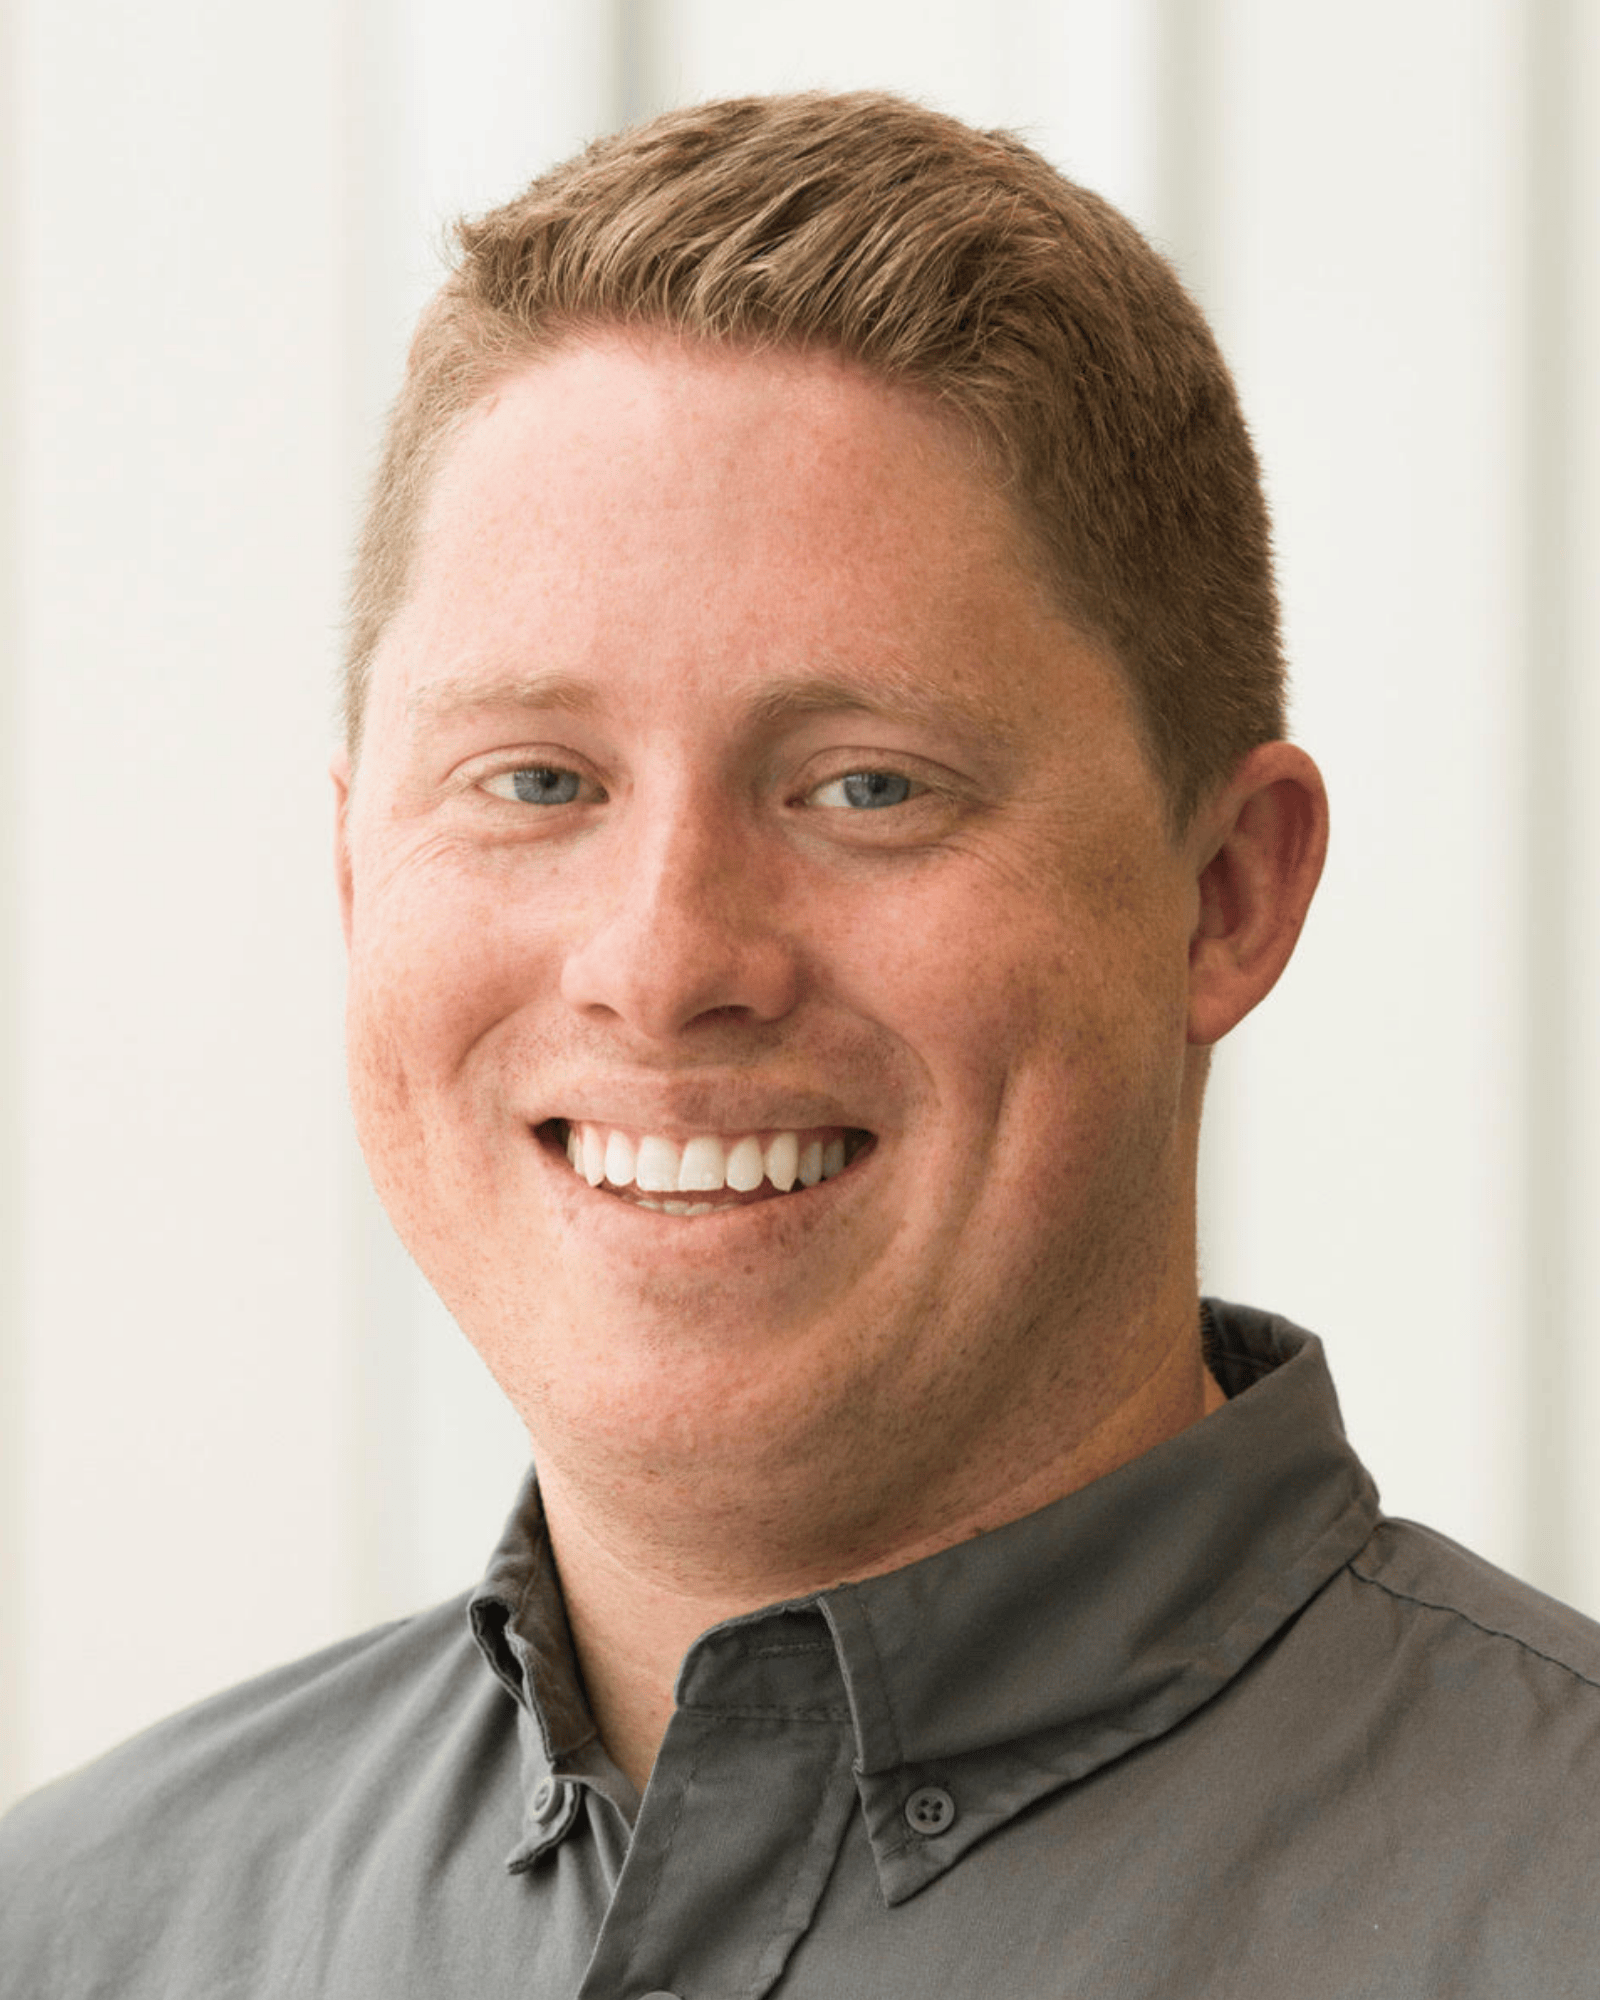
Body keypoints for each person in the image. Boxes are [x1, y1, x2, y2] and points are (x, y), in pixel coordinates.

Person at [4, 88, 1598, 1999]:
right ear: (356, 877)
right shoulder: (78, 1934)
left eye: (864, 784)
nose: (666, 962)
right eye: (533, 779)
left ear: (1228, 894)